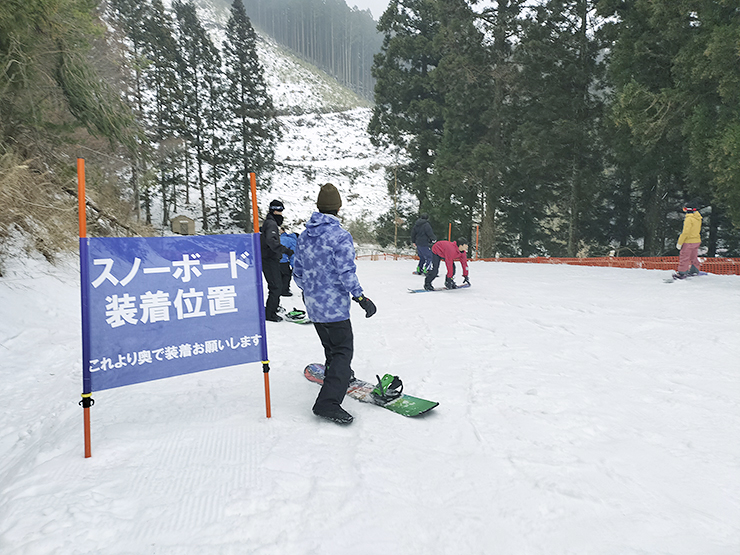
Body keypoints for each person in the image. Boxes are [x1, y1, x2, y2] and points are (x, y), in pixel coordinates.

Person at [293, 183, 377, 425]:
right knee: (342, 351)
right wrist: (361, 297)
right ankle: (328, 402)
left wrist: (311, 291)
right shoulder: (339, 236)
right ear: (338, 208)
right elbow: (346, 272)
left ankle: (342, 376)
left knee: (331, 347)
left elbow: (297, 271)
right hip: (335, 307)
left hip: (313, 304)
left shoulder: (305, 235)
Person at [260, 200, 293, 321]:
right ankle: (270, 313)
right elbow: (271, 241)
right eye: (279, 211)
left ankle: (272, 308)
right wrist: (285, 250)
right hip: (269, 259)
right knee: (276, 286)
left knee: (276, 285)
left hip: (270, 258)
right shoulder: (271, 223)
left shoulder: (270, 223)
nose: (281, 214)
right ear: (274, 210)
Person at [675, 198, 702, 279]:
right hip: (696, 240)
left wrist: (680, 243)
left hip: (688, 241)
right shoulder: (698, 218)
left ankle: (682, 273)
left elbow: (685, 232)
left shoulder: (689, 219)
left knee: (684, 256)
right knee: (694, 256)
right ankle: (694, 270)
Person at [279, 228, 298, 296]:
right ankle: (284, 291)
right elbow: (292, 255)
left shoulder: (282, 237)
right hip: (283, 260)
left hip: (274, 259)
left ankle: (278, 289)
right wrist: (293, 266)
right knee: (286, 275)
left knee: (278, 275)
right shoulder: (293, 241)